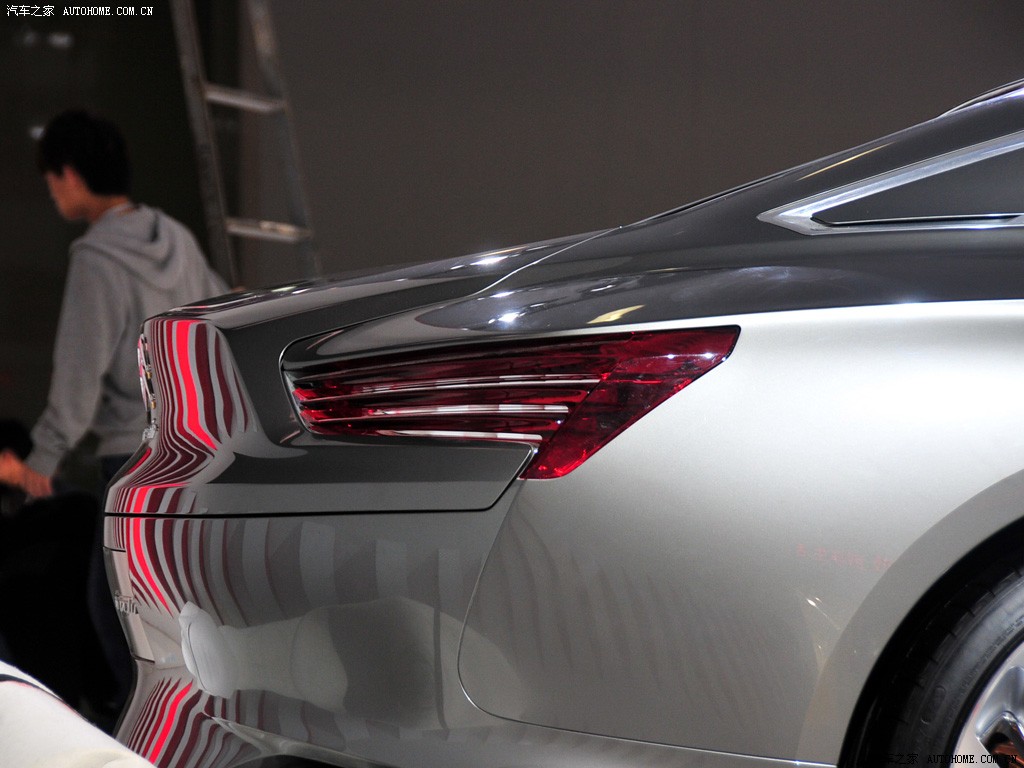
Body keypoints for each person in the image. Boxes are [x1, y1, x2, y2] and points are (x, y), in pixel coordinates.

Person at [0, 109, 229, 720]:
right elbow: (219, 317)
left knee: (120, 624)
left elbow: (78, 375)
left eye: (51, 178)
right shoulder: (176, 237)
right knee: (178, 623)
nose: (52, 191)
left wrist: (39, 460)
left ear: (70, 175)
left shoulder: (96, 258)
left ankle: (151, 747)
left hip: (130, 459)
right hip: (192, 448)